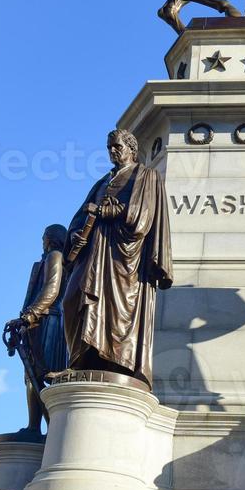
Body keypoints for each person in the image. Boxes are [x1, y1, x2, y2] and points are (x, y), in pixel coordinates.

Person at [62, 128, 173, 386]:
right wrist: (78, 234)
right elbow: (80, 216)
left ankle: (113, 363)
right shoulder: (102, 182)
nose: (113, 152)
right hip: (94, 251)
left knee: (115, 309)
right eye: (109, 147)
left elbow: (141, 215)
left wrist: (102, 211)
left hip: (123, 257)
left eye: (118, 147)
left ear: (132, 149)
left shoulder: (147, 176)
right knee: (72, 299)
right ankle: (80, 361)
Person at [2, 224, 68, 438]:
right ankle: (34, 427)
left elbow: (51, 289)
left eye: (44, 237)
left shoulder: (56, 256)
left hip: (49, 321)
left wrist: (28, 316)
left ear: (51, 239)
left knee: (41, 372)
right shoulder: (46, 260)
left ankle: (51, 428)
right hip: (37, 321)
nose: (42, 241)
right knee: (31, 376)